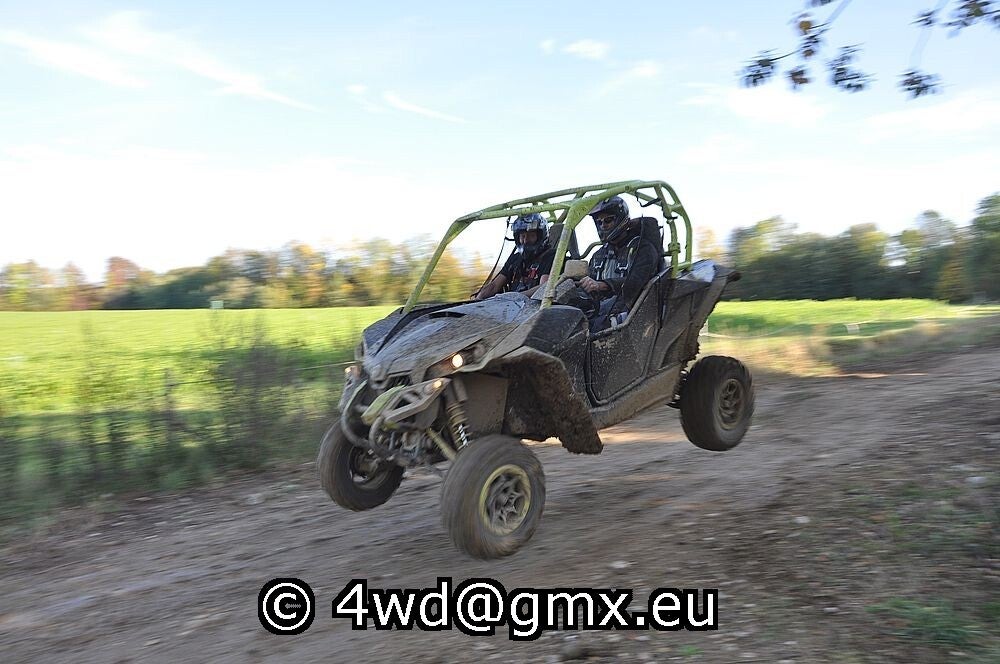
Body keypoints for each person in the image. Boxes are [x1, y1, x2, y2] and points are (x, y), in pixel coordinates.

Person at [577, 196, 660, 332]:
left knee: (591, 329)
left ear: (621, 218)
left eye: (608, 220)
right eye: (599, 222)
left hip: (633, 310)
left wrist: (601, 285)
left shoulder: (642, 248)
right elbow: (590, 282)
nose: (603, 226)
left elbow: (637, 282)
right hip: (602, 309)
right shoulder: (599, 254)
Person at [474, 213, 555, 300]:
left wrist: (513, 297)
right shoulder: (515, 258)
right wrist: (478, 299)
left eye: (531, 236)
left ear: (541, 236)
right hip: (510, 304)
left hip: (534, 305)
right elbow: (494, 286)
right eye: (523, 236)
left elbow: (544, 288)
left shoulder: (551, 256)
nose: (525, 240)